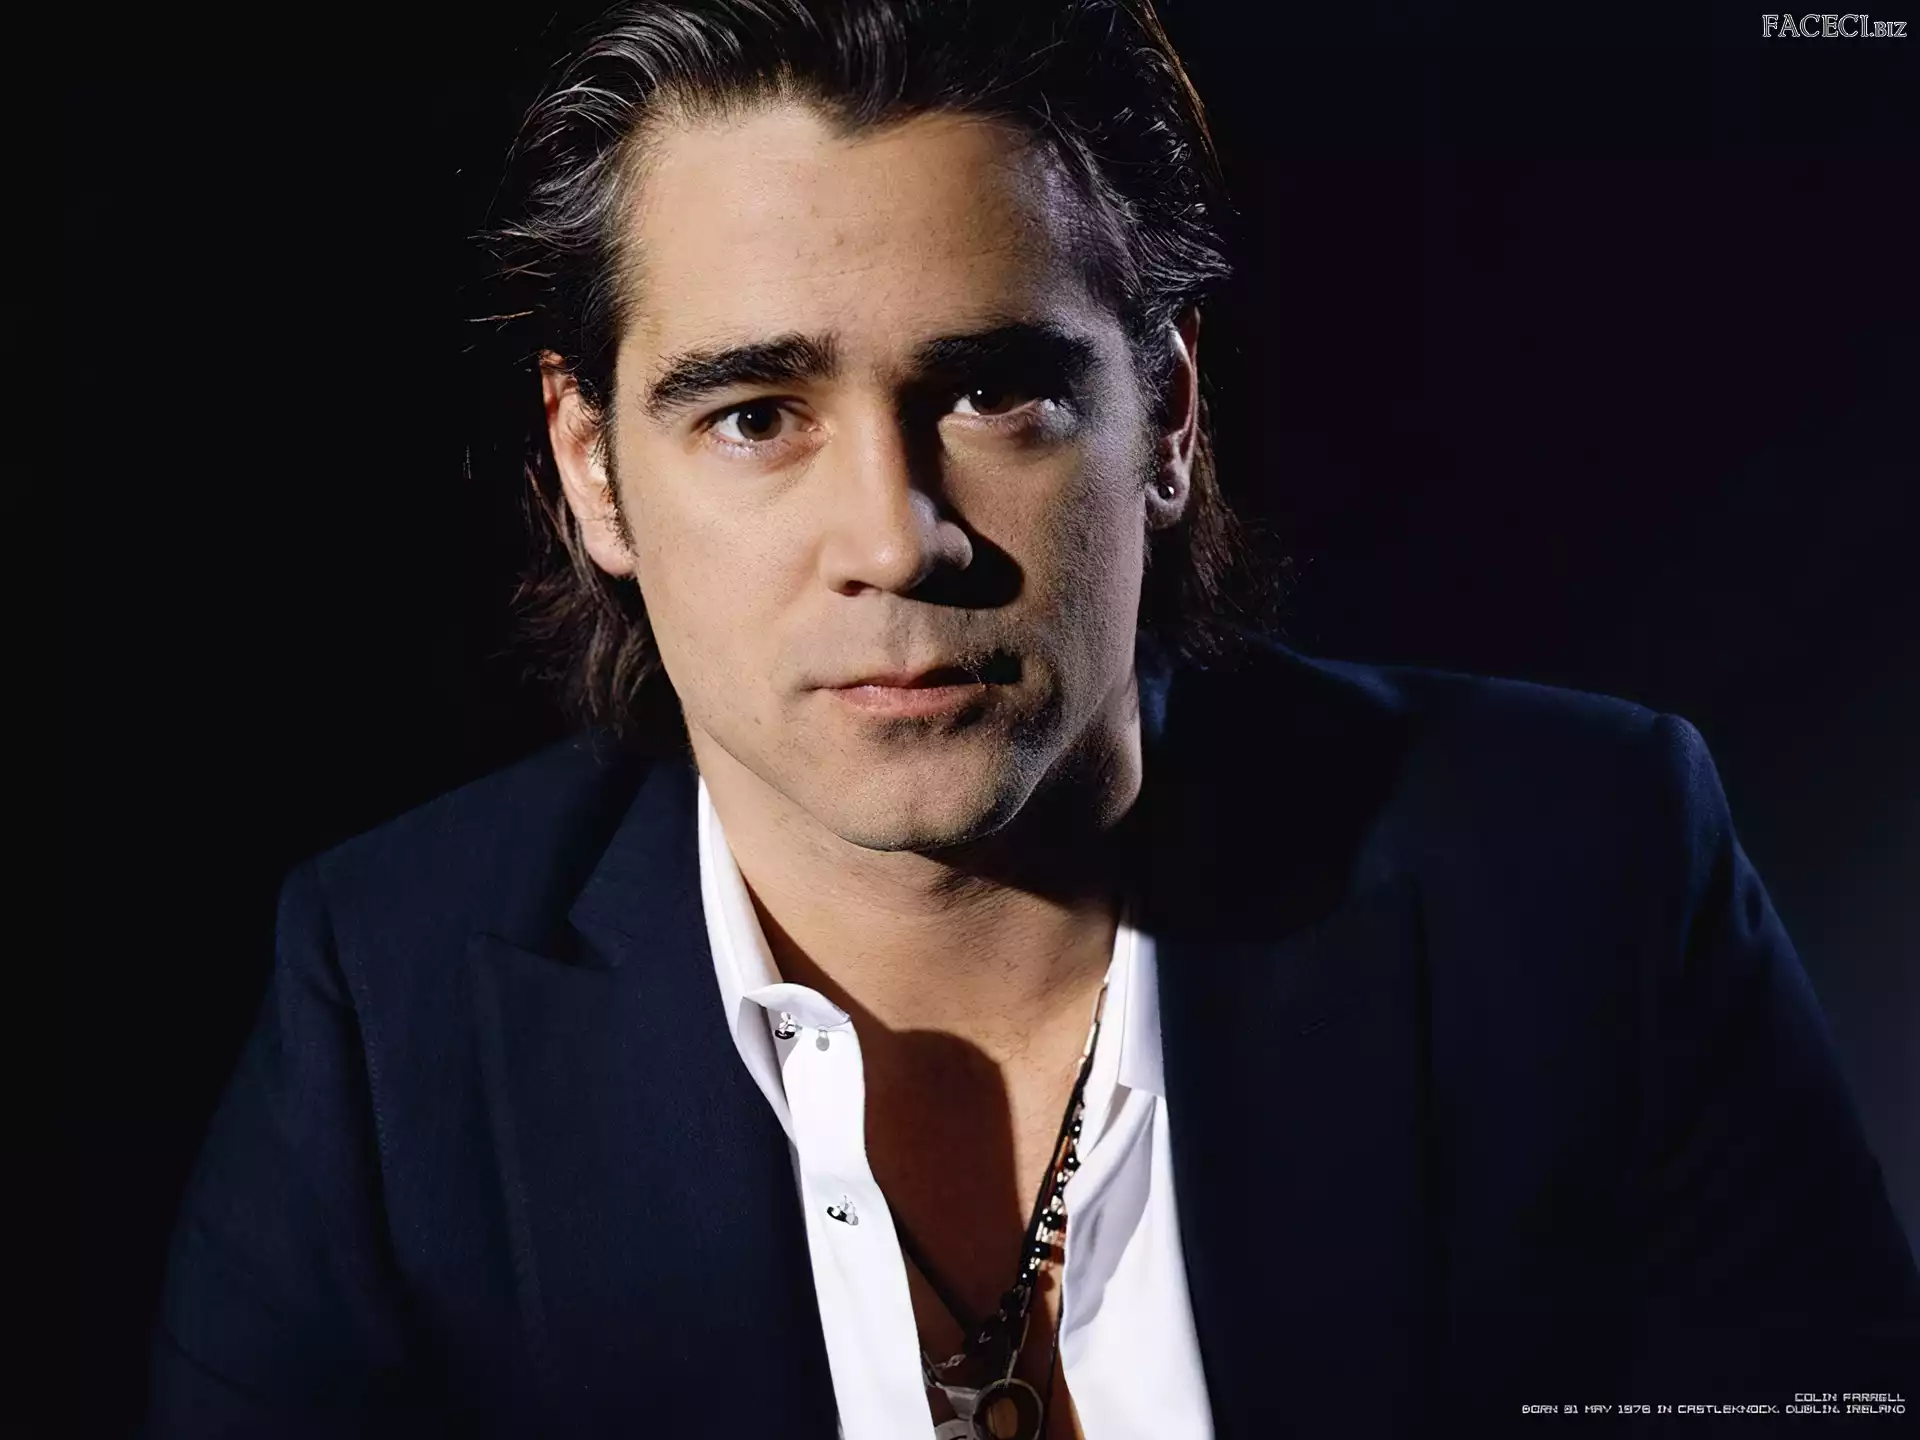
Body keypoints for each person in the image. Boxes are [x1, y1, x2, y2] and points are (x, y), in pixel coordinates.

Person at [145, 2, 1918, 1436]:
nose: (895, 537)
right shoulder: (390, 1010)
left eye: (995, 391)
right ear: (593, 468)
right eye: (755, 414)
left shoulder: (1583, 867)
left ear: (1171, 418)